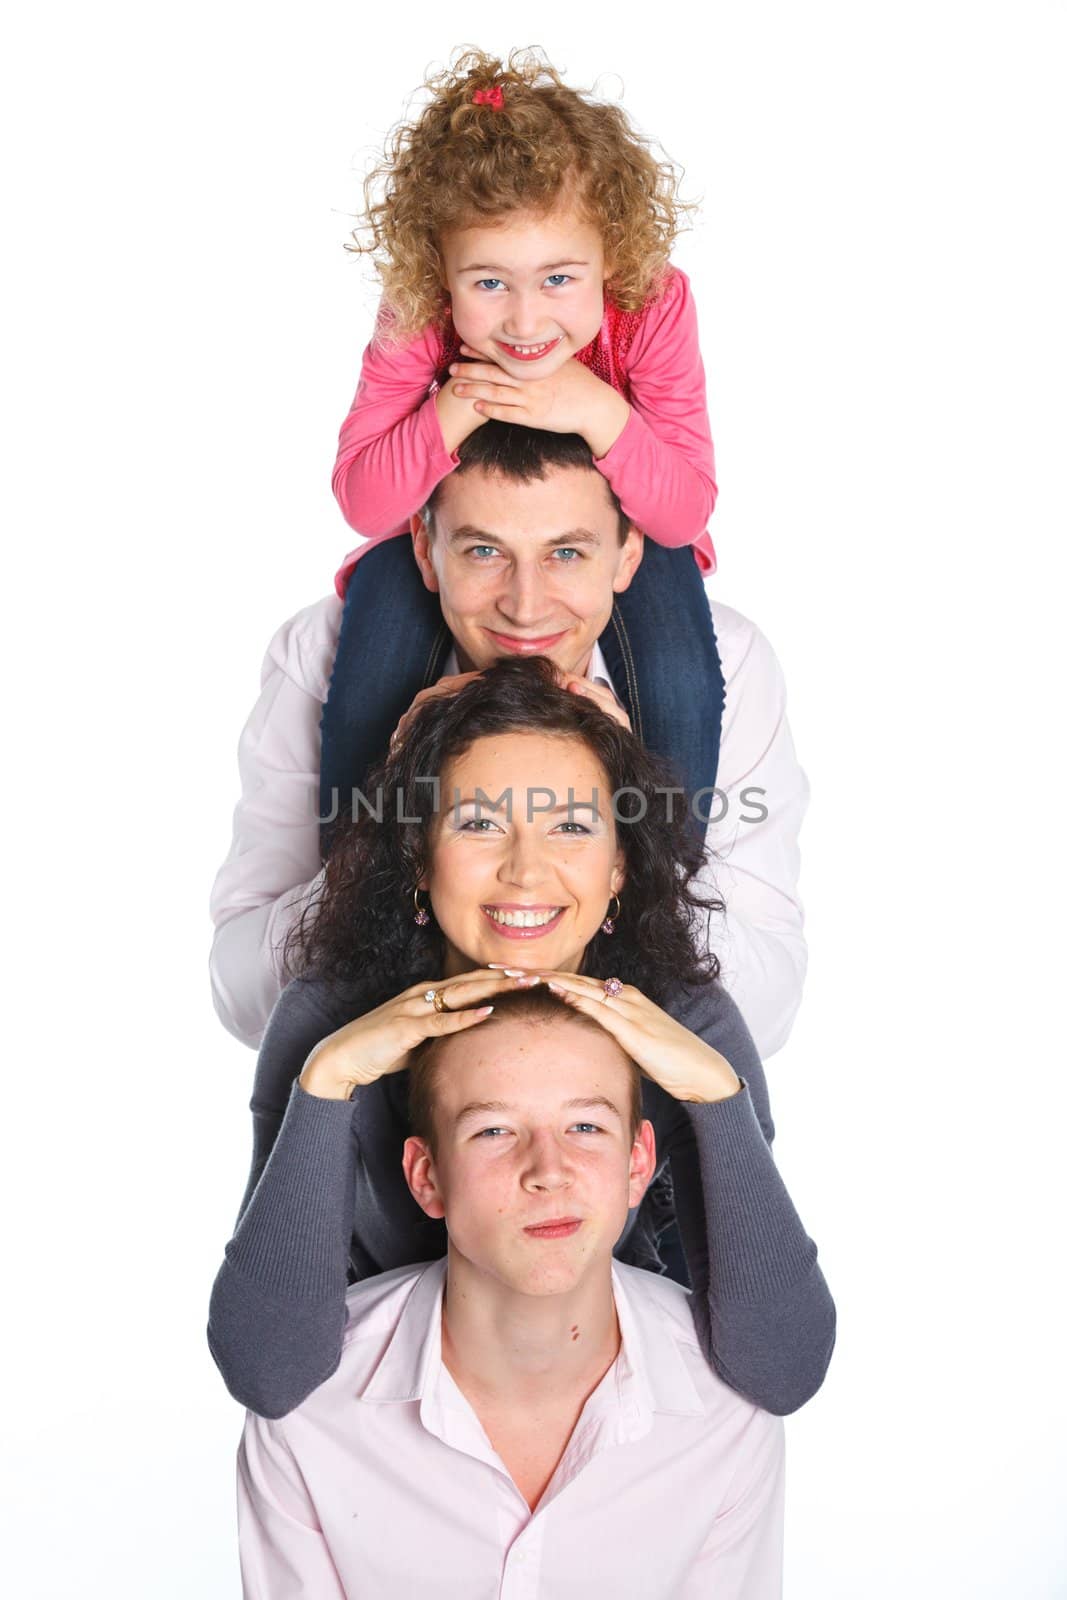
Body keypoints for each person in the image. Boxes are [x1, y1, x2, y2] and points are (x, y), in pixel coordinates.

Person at [208, 657, 835, 1422]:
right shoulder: (329, 1018)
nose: (525, 871)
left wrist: (716, 1102)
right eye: (477, 824)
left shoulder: (686, 1023)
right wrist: (327, 1082)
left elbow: (782, 1368)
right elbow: (269, 1371)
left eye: (571, 826)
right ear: (418, 855)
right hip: (384, 1420)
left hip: (606, 1411)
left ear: (618, 869)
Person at [209, 425, 809, 1060]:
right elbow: (244, 1001)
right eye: (483, 552)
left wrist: (638, 829)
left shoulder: (725, 665)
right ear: (424, 546)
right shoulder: (325, 655)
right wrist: (389, 818)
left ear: (629, 552)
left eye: (567, 554)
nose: (525, 609)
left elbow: (765, 1020)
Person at [237, 985, 785, 1599]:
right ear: (427, 1177)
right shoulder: (311, 1416)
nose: (547, 1170)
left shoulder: (725, 1414)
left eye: (585, 1125)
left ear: (638, 1166)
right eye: (494, 1131)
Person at [325, 46, 724, 846]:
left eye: (557, 279)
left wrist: (598, 409)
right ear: (440, 272)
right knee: (370, 682)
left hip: (620, 527)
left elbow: (681, 513)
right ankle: (350, 887)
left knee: (681, 680)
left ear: (610, 257)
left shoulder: (651, 305)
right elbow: (363, 499)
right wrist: (454, 405)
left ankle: (665, 889)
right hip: (449, 532)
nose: (525, 321)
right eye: (487, 283)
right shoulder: (416, 312)